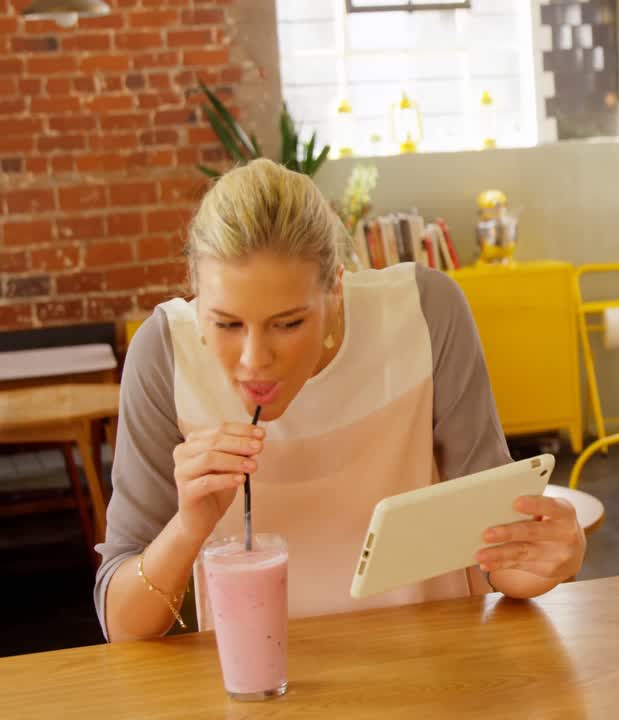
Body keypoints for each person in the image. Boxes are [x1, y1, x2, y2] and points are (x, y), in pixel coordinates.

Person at [95, 158, 586, 642]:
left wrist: (553, 555)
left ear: (335, 289)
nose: (254, 359)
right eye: (225, 323)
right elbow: (123, 625)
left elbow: (500, 551)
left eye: (288, 323)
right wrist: (188, 527)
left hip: (439, 666)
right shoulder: (164, 354)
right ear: (197, 296)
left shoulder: (426, 312)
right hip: (259, 678)